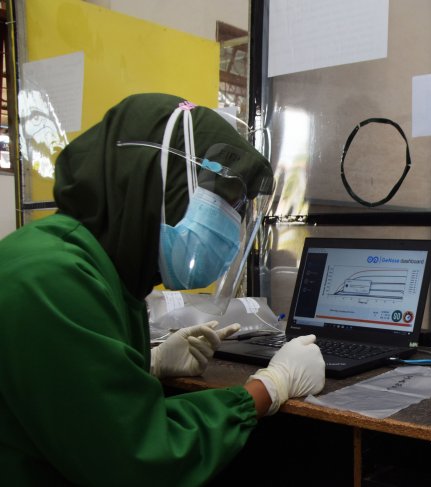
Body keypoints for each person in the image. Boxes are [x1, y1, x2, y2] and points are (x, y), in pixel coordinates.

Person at [0, 93, 325, 485]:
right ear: (149, 186)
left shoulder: (88, 264)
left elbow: (64, 394)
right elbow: (136, 460)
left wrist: (147, 364)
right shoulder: (50, 280)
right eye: (219, 201)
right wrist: (269, 387)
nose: (229, 227)